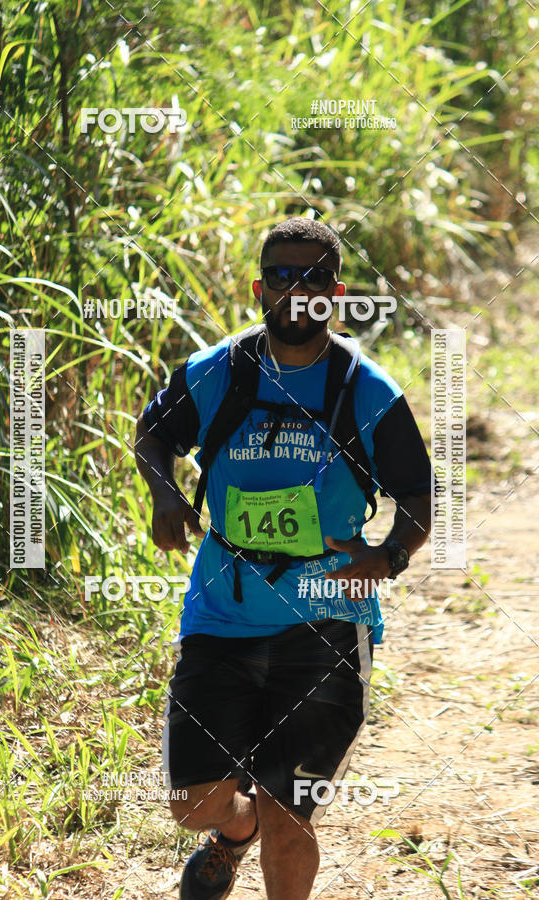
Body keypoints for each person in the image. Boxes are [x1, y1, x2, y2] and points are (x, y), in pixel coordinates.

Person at [134, 217, 432, 900]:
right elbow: (153, 432)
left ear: (337, 290)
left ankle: (264, 828)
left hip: (326, 624)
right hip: (223, 613)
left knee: (288, 806)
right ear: (258, 287)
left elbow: (418, 494)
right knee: (191, 801)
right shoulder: (220, 371)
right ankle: (233, 833)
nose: (296, 290)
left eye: (313, 277)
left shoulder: (368, 391)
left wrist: (387, 558)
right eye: (281, 276)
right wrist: (165, 497)